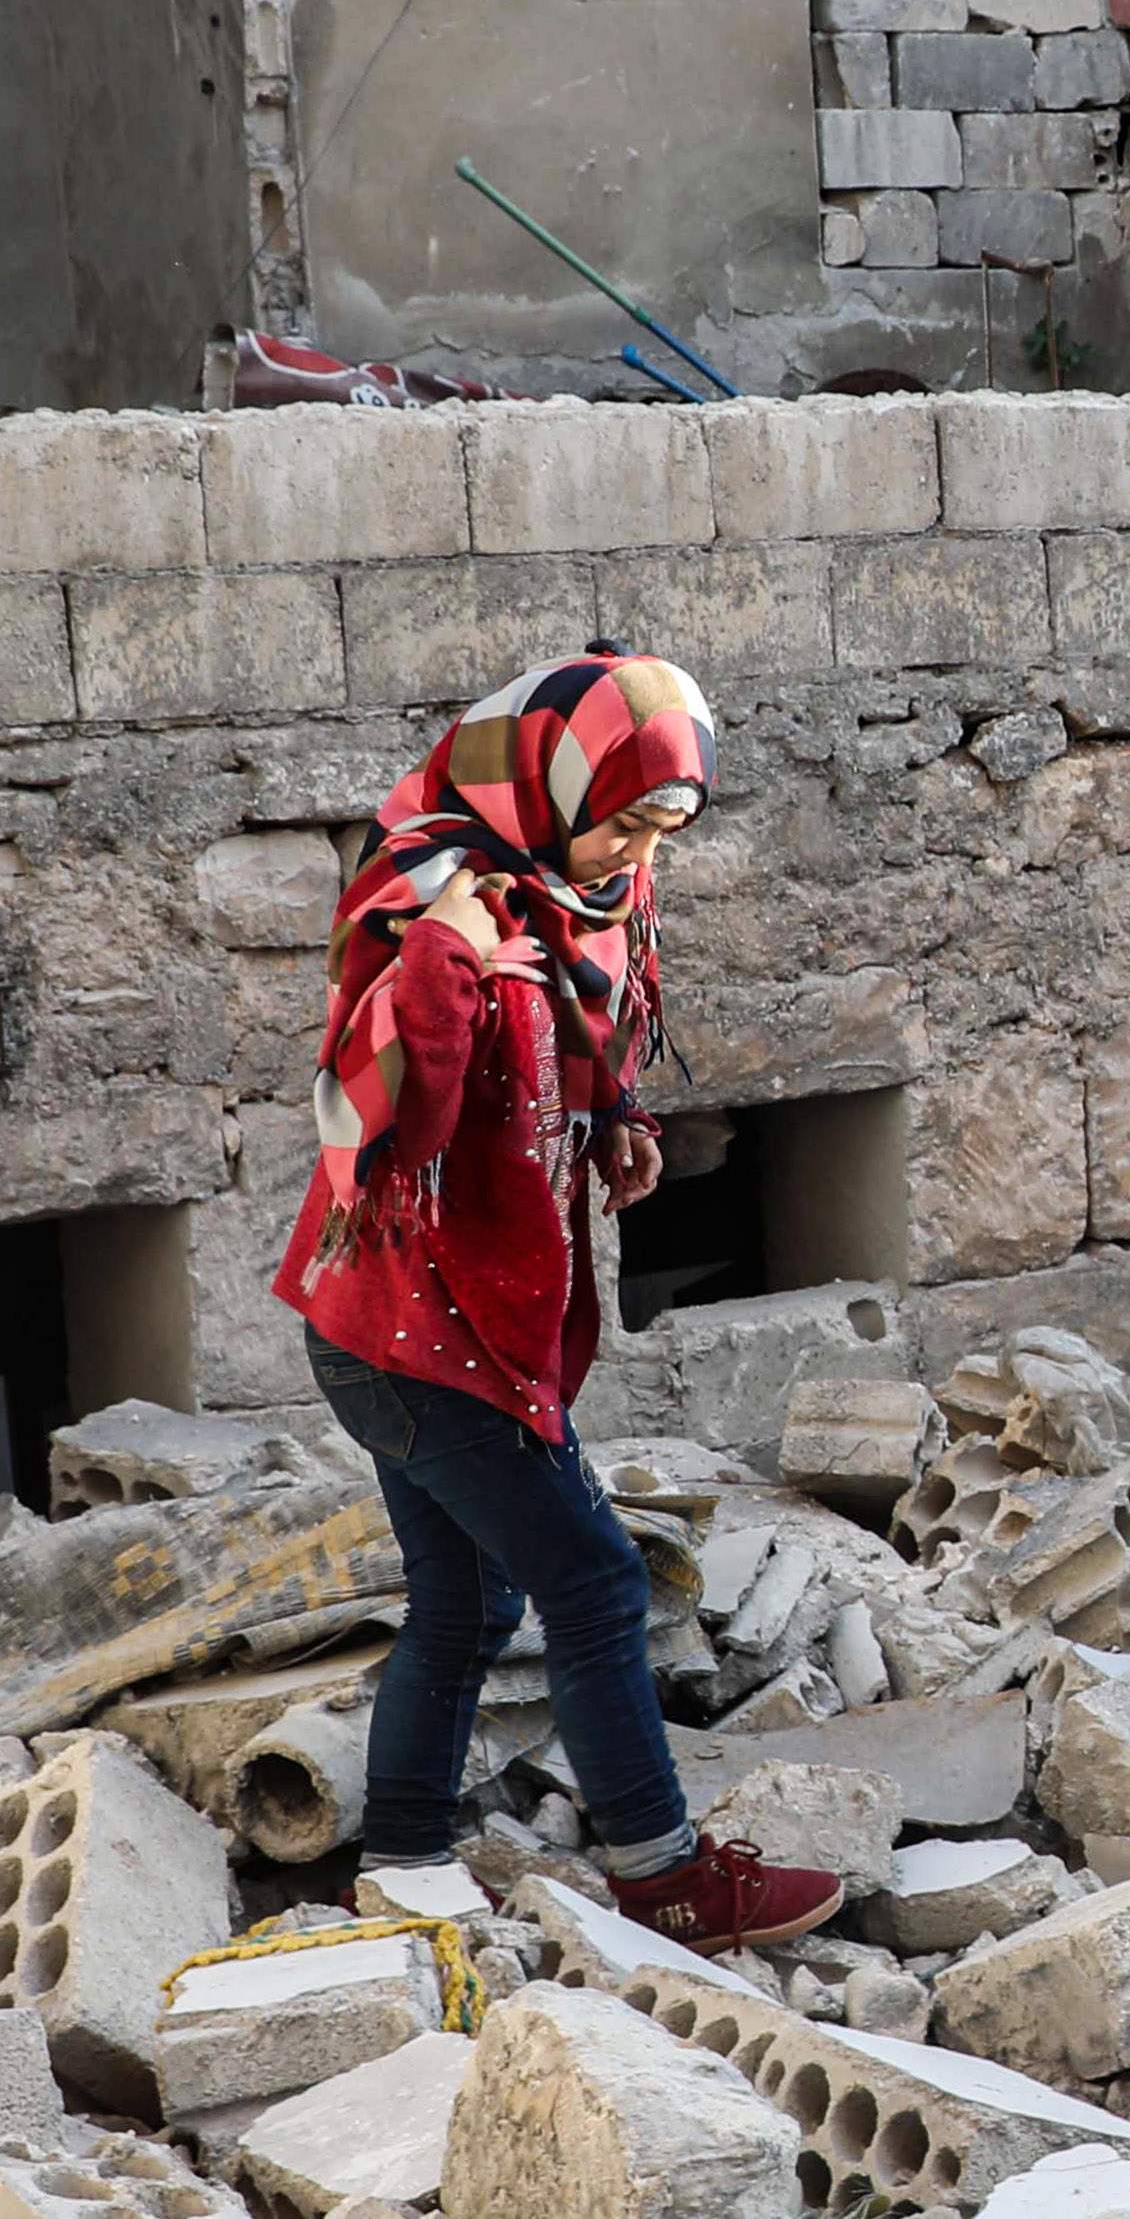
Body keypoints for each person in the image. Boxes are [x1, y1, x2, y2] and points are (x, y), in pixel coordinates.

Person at [273, 648, 844, 1953]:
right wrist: (441, 991)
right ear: (549, 781)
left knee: (469, 1600)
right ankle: (666, 1877)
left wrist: (611, 1114)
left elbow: (574, 1038)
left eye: (663, 822)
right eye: (625, 815)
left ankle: (403, 1860)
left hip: (405, 1317)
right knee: (592, 1581)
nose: (636, 847)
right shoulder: (438, 900)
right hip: (419, 1330)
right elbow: (387, 1110)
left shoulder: (576, 879)